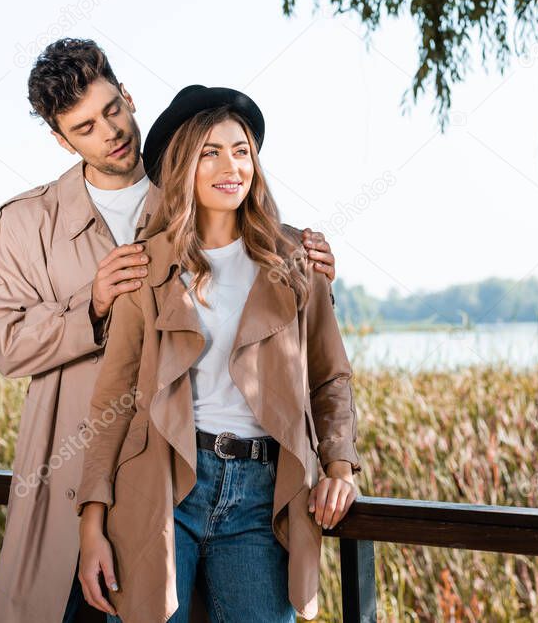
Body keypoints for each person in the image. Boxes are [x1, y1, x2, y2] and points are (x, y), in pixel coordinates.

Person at [0, 39, 341, 623]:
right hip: (74, 469)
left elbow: (269, 294)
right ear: (61, 139)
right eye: (85, 126)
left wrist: (310, 270)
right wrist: (92, 306)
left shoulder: (196, 184)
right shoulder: (25, 222)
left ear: (128, 95)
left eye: (113, 109)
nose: (110, 132)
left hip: (177, 473)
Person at [74, 84, 363, 622]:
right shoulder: (145, 266)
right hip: (157, 490)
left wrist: (339, 467)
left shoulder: (297, 258)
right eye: (210, 151)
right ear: (183, 163)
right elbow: (111, 400)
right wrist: (91, 524)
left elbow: (329, 377)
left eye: (241, 150)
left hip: (262, 496)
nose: (231, 166)